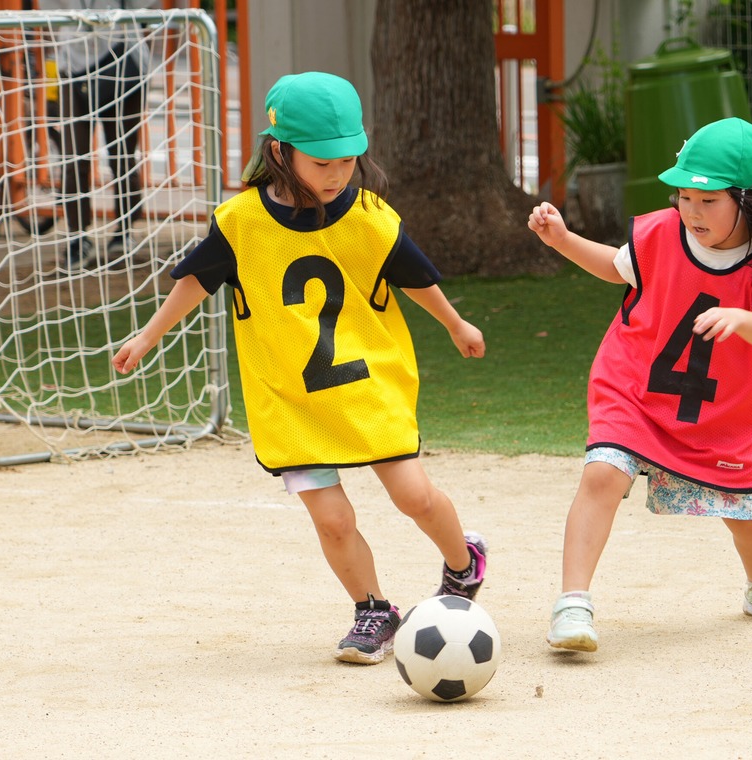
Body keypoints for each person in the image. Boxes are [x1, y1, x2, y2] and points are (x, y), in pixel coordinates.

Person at [111, 71, 489, 665]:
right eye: (322, 162)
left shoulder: (368, 216)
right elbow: (195, 283)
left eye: (348, 160)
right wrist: (148, 336)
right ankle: (374, 610)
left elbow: (415, 276)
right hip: (290, 400)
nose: (338, 173)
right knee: (334, 519)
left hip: (367, 385)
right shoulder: (240, 224)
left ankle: (465, 564)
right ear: (280, 152)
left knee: (415, 497)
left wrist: (455, 324)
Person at [527, 117, 752, 652]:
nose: (691, 211)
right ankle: (572, 604)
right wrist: (561, 239)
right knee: (603, 475)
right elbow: (616, 268)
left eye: (708, 200)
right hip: (631, 385)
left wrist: (740, 318)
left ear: (748, 201)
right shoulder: (660, 232)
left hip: (720, 410)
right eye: (683, 197)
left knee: (747, 511)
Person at [35, 0, 157, 269]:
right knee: (73, 158)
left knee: (122, 155)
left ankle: (124, 232)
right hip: (74, 66)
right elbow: (51, 12)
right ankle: (78, 237)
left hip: (123, 58)